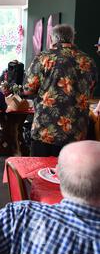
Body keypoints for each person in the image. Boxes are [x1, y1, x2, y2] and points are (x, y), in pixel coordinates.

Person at [23, 24, 97, 157]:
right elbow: (90, 90)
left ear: (53, 39)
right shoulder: (88, 61)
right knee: (71, 172)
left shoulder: (43, 57)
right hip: (77, 128)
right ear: (72, 39)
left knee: (40, 171)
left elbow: (28, 89)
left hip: (46, 128)